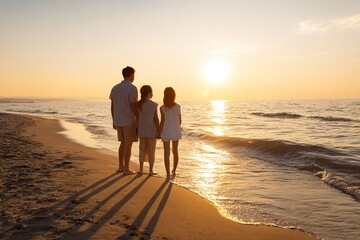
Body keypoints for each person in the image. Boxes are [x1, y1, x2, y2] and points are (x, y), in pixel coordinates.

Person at [110, 66, 138, 175]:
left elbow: (112, 106)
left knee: (122, 143)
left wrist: (113, 120)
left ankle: (120, 166)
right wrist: (138, 118)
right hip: (129, 120)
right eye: (133, 75)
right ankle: (126, 168)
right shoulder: (132, 88)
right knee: (128, 144)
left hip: (118, 119)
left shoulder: (115, 88)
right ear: (131, 75)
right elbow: (133, 105)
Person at [159, 87, 182, 180]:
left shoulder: (162, 108)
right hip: (175, 132)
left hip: (165, 132)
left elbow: (162, 121)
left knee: (166, 153)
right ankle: (174, 171)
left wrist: (159, 132)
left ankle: (168, 174)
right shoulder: (178, 107)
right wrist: (175, 127)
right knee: (175, 152)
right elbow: (180, 121)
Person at [137, 85, 160, 176]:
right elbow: (156, 119)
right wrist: (159, 131)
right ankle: (151, 170)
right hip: (152, 131)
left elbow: (137, 118)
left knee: (141, 149)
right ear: (149, 93)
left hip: (141, 130)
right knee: (151, 150)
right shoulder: (154, 105)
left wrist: (136, 128)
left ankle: (141, 169)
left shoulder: (138, 104)